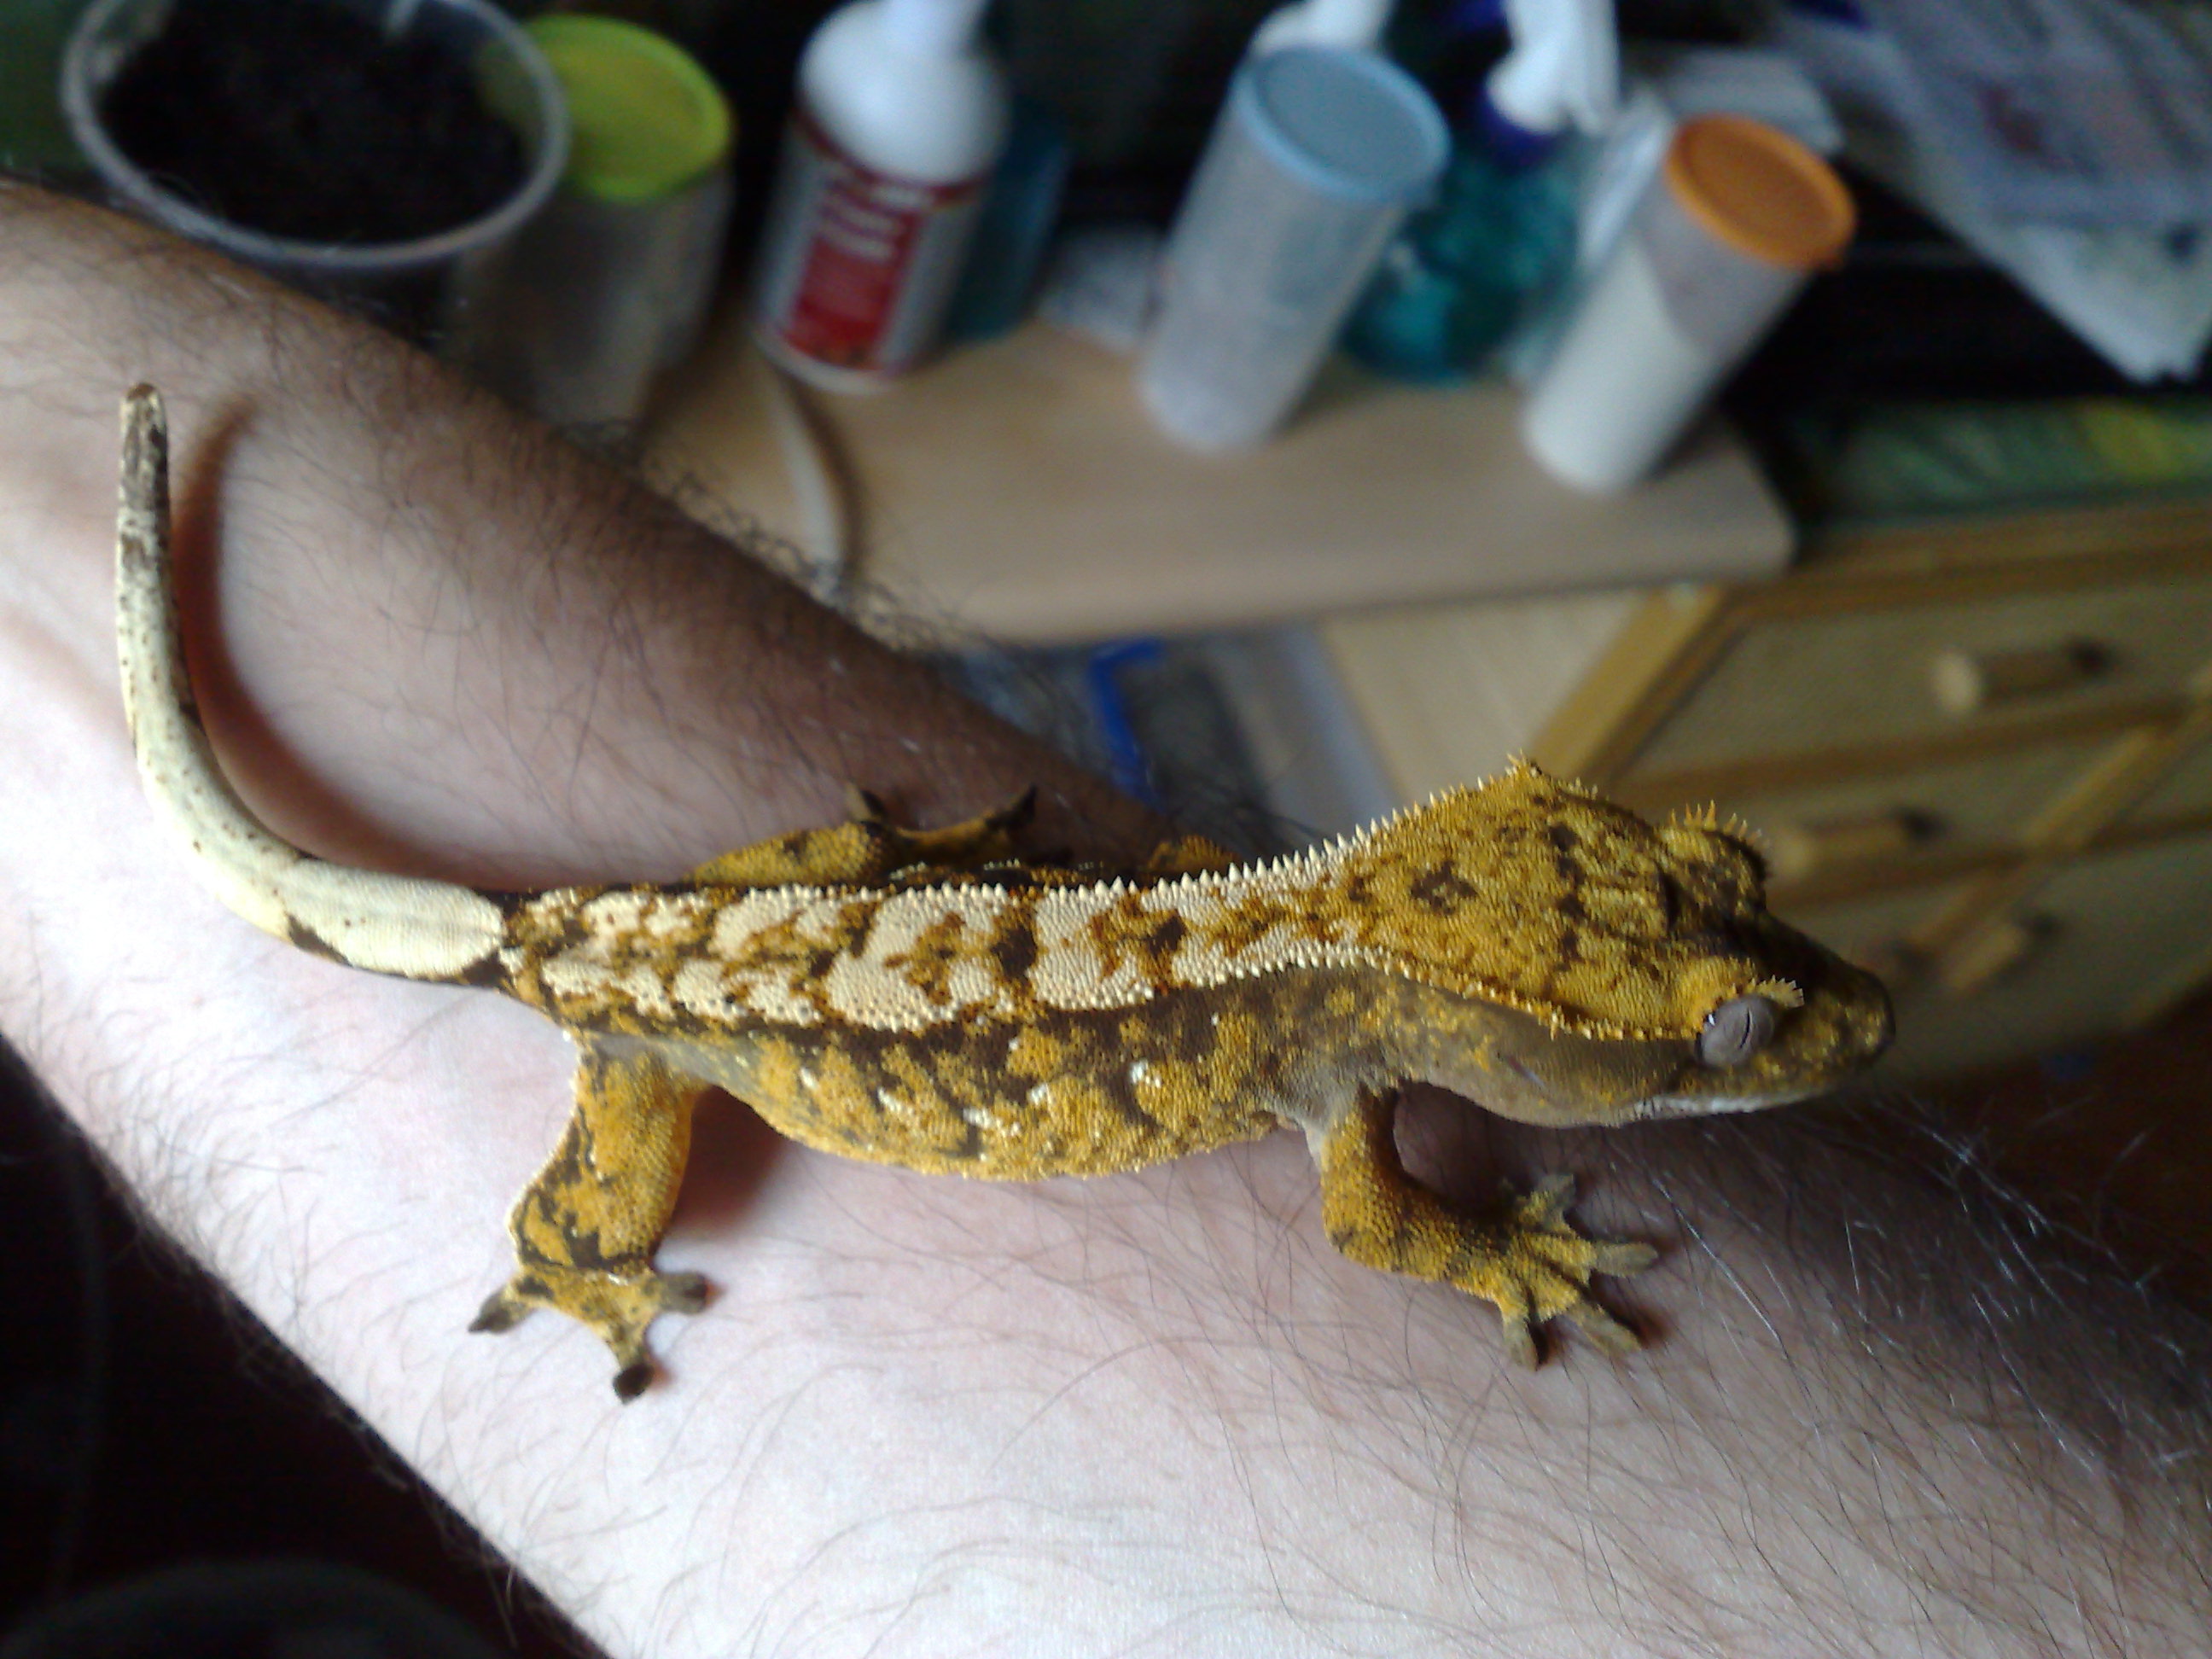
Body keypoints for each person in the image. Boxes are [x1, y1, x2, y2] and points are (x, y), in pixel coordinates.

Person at [1, 183, 2204, 1657]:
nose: (1802, 1022)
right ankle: (571, 1250)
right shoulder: (1339, 1031)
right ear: (1497, 1019)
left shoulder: (1321, 975)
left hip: (793, 931)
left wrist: (885, 883)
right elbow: (1384, 1234)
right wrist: (1501, 1246)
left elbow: (1339, 1136)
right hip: (697, 1010)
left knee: (732, 931)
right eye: (1717, 1026)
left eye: (1726, 989)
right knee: (632, 1104)